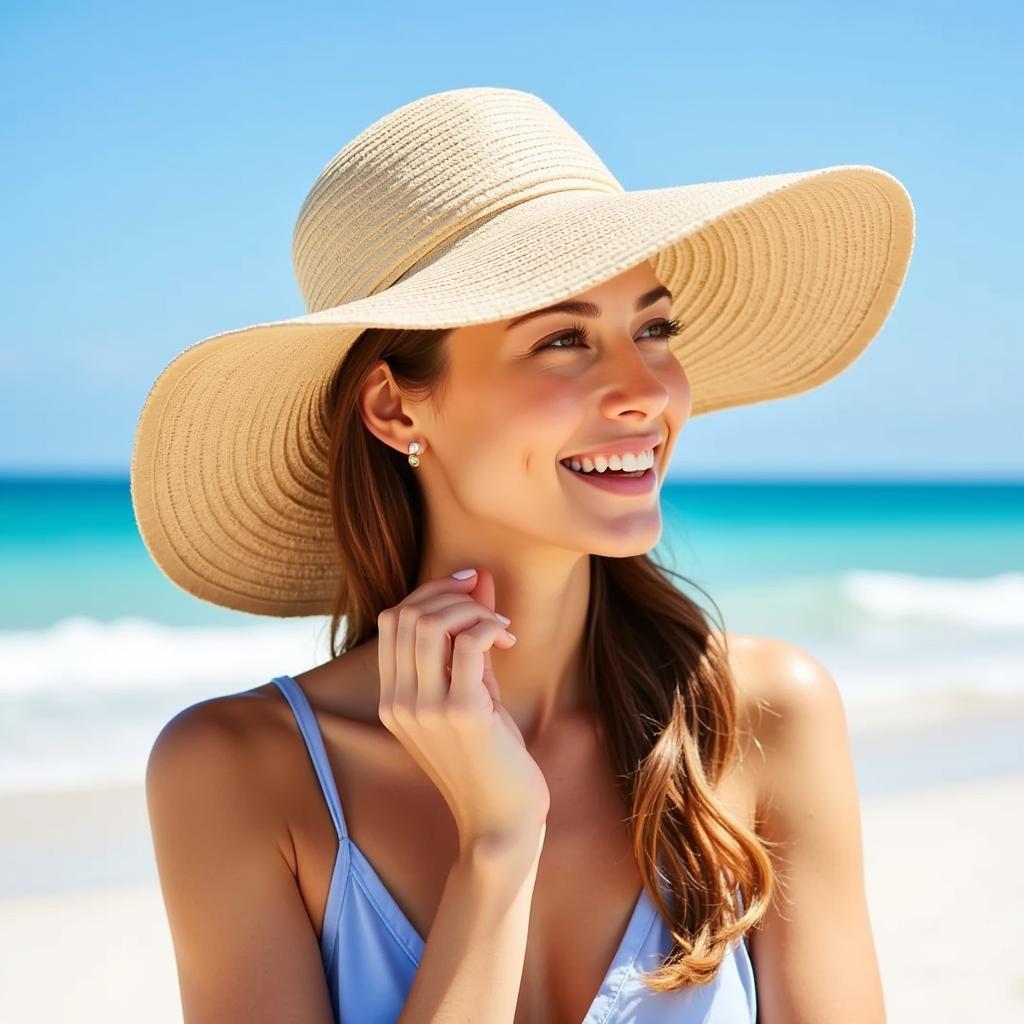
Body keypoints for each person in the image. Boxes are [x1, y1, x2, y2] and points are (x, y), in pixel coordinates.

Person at [133, 86, 915, 1023]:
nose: (645, 393)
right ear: (394, 408)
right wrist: (498, 845)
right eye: (562, 340)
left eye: (652, 329)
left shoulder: (759, 722)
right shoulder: (237, 774)